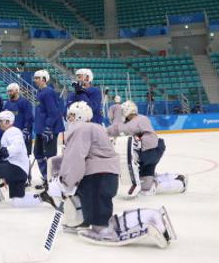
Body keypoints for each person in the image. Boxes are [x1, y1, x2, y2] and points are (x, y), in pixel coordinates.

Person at [55, 101, 176, 247]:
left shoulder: (82, 129)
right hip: (106, 176)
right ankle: (150, 216)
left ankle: (139, 220)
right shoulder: (95, 127)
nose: (70, 119)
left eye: (72, 115)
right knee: (104, 217)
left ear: (80, 116)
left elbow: (75, 158)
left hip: (96, 177)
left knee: (101, 225)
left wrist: (66, 182)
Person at [0, 111, 55, 209]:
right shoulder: (10, 132)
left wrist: (5, 151)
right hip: (19, 170)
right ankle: (43, 197)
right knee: (18, 201)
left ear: (8, 121)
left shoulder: (13, 131)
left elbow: (17, 146)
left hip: (16, 167)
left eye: (0, 121)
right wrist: (0, 155)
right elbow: (10, 151)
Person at [106, 100, 187, 195]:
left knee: (147, 190)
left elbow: (151, 139)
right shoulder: (127, 123)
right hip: (146, 155)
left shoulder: (141, 119)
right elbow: (115, 130)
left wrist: (139, 143)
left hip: (151, 152)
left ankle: (180, 184)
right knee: (145, 187)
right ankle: (174, 178)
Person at [33, 70, 62, 184]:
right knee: (38, 153)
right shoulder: (40, 92)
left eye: (37, 78)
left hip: (49, 129)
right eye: (35, 78)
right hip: (41, 129)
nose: (35, 80)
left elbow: (54, 112)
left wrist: (48, 128)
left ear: (44, 79)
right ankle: (47, 177)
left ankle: (54, 181)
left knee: (50, 156)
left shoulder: (48, 92)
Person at [3, 83, 34, 154]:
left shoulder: (24, 102)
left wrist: (26, 130)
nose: (9, 93)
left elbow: (29, 118)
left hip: (22, 135)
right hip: (10, 135)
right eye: (8, 91)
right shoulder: (7, 104)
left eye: (11, 91)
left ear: (17, 90)